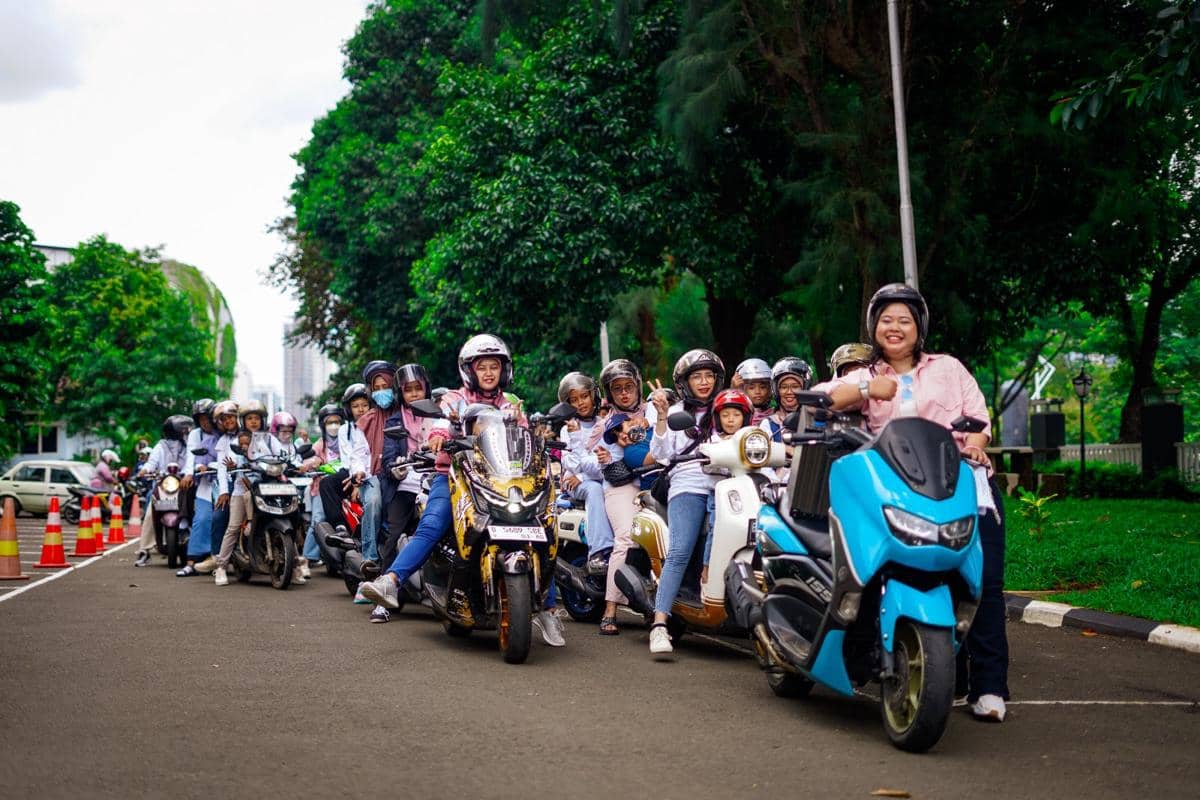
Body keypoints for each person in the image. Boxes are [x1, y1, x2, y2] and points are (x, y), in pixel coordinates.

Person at [825, 282, 1009, 723]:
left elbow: (979, 419)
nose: (895, 327)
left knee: (983, 584)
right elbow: (826, 399)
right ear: (874, 326)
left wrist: (976, 446)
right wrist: (868, 389)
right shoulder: (865, 374)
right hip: (895, 493)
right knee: (876, 571)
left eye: (904, 320)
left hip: (960, 484)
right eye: (886, 319)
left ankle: (988, 686)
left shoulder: (949, 368)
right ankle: (881, 659)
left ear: (919, 327)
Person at [359, 334, 566, 646]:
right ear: (469, 370)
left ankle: (548, 609)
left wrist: (536, 435)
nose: (488, 373)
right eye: (482, 367)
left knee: (542, 528)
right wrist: (440, 436)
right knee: (432, 523)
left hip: (506, 481)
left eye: (494, 366)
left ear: (504, 370)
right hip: (456, 476)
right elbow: (441, 425)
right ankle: (391, 580)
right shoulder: (454, 399)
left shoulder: (511, 403)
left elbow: (523, 438)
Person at [645, 349, 724, 658]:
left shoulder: (727, 407)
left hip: (726, 485)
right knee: (679, 551)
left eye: (709, 376)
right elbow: (661, 454)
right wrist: (662, 416)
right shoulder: (676, 411)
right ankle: (659, 624)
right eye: (697, 377)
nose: (704, 382)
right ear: (685, 382)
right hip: (689, 484)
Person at [370, 363, 442, 624]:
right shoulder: (394, 420)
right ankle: (383, 600)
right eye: (408, 389)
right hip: (407, 483)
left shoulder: (440, 415)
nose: (413, 394)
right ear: (401, 393)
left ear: (426, 389)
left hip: (438, 480)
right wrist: (395, 468)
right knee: (394, 534)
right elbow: (388, 458)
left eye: (417, 388)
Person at [212, 400, 304, 585]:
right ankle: (221, 567)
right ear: (243, 421)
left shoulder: (270, 439)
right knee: (233, 527)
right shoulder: (236, 440)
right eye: (249, 418)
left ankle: (294, 565)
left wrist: (297, 465)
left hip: (270, 487)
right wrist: (232, 469)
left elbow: (283, 456)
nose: (253, 421)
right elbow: (227, 464)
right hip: (243, 488)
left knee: (290, 518)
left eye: (257, 418)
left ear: (263, 420)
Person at [556, 371, 616, 575]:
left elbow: (603, 464)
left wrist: (582, 476)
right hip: (576, 485)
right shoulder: (567, 429)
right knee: (593, 489)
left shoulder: (605, 424)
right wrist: (575, 436)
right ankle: (599, 551)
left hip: (588, 479)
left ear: (594, 396)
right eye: (574, 400)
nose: (580, 403)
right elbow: (572, 464)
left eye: (584, 396)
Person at [699, 389, 760, 584]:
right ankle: (708, 567)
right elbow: (707, 466)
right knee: (716, 527)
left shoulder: (753, 439)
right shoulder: (713, 441)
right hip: (720, 495)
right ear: (718, 418)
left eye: (736, 415)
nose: (731, 420)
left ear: (746, 417)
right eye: (725, 415)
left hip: (748, 494)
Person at [317, 384, 373, 570]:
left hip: (373, 472)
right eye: (356, 406)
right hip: (351, 471)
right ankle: (340, 528)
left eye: (364, 405)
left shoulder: (377, 424)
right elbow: (350, 458)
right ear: (349, 409)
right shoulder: (344, 429)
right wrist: (356, 481)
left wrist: (360, 482)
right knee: (326, 484)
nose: (360, 409)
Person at [134, 415, 194, 567]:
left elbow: (192, 462)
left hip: (184, 486)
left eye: (187, 429)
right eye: (183, 429)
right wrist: (144, 470)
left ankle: (196, 546)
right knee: (150, 513)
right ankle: (144, 551)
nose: (186, 432)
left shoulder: (189, 445)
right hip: (164, 486)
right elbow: (152, 463)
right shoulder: (161, 446)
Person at [176, 399, 222, 576]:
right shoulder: (196, 434)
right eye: (201, 419)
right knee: (201, 519)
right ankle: (191, 562)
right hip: (205, 484)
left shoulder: (223, 432)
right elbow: (191, 456)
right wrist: (190, 473)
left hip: (226, 484)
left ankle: (221, 560)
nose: (205, 422)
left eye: (207, 418)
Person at [300, 403, 345, 565]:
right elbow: (307, 461)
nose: (334, 426)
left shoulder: (347, 442)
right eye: (330, 422)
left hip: (344, 487)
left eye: (337, 422)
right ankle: (308, 557)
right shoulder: (320, 445)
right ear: (323, 425)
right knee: (319, 519)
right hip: (320, 489)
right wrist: (315, 463)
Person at [762, 357, 812, 443]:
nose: (789, 392)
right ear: (776, 390)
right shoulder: (768, 424)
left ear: (805, 388)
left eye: (795, 386)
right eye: (784, 387)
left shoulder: (814, 420)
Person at [733, 358, 774, 425]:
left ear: (770, 389)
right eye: (751, 388)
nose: (757, 392)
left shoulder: (777, 416)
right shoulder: (735, 417)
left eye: (762, 387)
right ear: (742, 390)